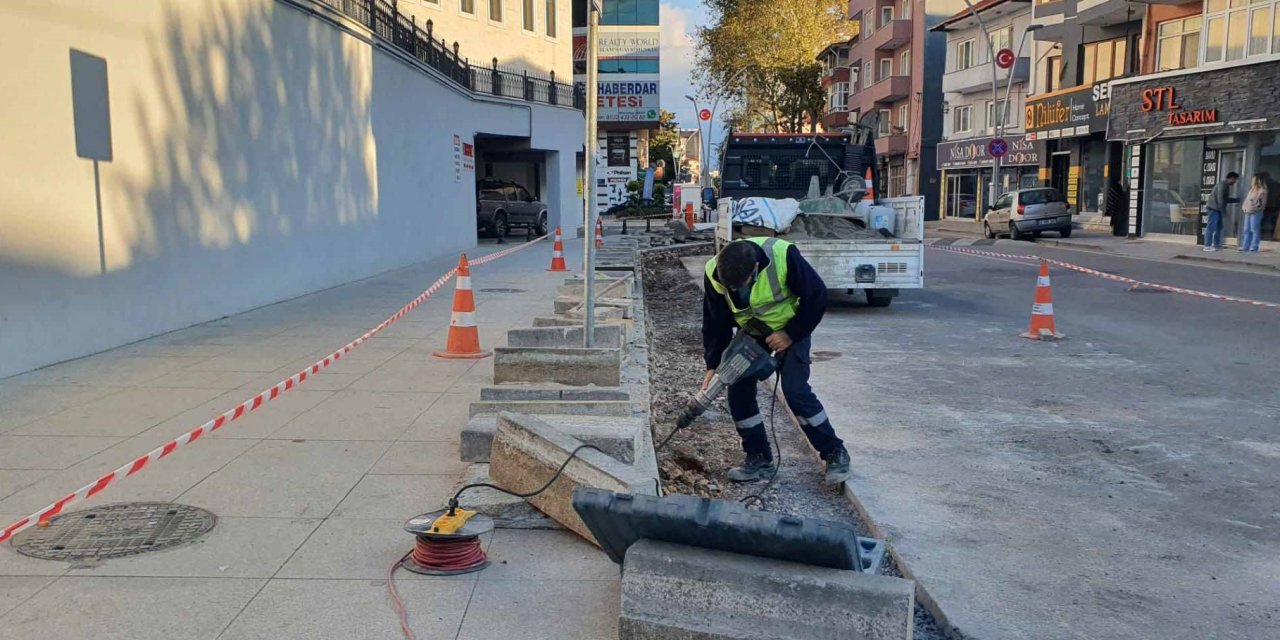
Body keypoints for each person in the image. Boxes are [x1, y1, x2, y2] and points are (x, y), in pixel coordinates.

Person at [702, 237, 851, 485]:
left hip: (792, 327)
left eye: (742, 285)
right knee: (737, 386)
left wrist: (790, 334)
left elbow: (817, 296)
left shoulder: (783, 255)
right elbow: (715, 321)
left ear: (755, 269)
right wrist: (713, 364)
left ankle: (834, 452)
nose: (736, 292)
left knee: (795, 390)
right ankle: (758, 457)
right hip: (752, 330)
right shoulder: (713, 273)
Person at [1204, 172, 1239, 252]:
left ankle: (1216, 244)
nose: (1234, 182)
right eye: (1234, 180)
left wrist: (1236, 200)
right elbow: (1220, 199)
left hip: (1217, 209)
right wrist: (1223, 212)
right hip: (1213, 208)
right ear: (1231, 178)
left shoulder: (1226, 186)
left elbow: (1225, 199)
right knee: (1211, 226)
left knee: (1219, 227)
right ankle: (1207, 245)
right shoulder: (1222, 185)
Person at [1240, 174, 1267, 252]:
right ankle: (1245, 246)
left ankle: (1254, 246)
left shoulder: (1262, 191)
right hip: (1247, 212)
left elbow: (1261, 204)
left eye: (1253, 180)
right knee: (1246, 229)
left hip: (1255, 213)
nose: (1252, 182)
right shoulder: (1251, 190)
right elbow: (1246, 200)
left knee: (1254, 229)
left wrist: (1254, 208)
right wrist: (1244, 207)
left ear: (1257, 181)